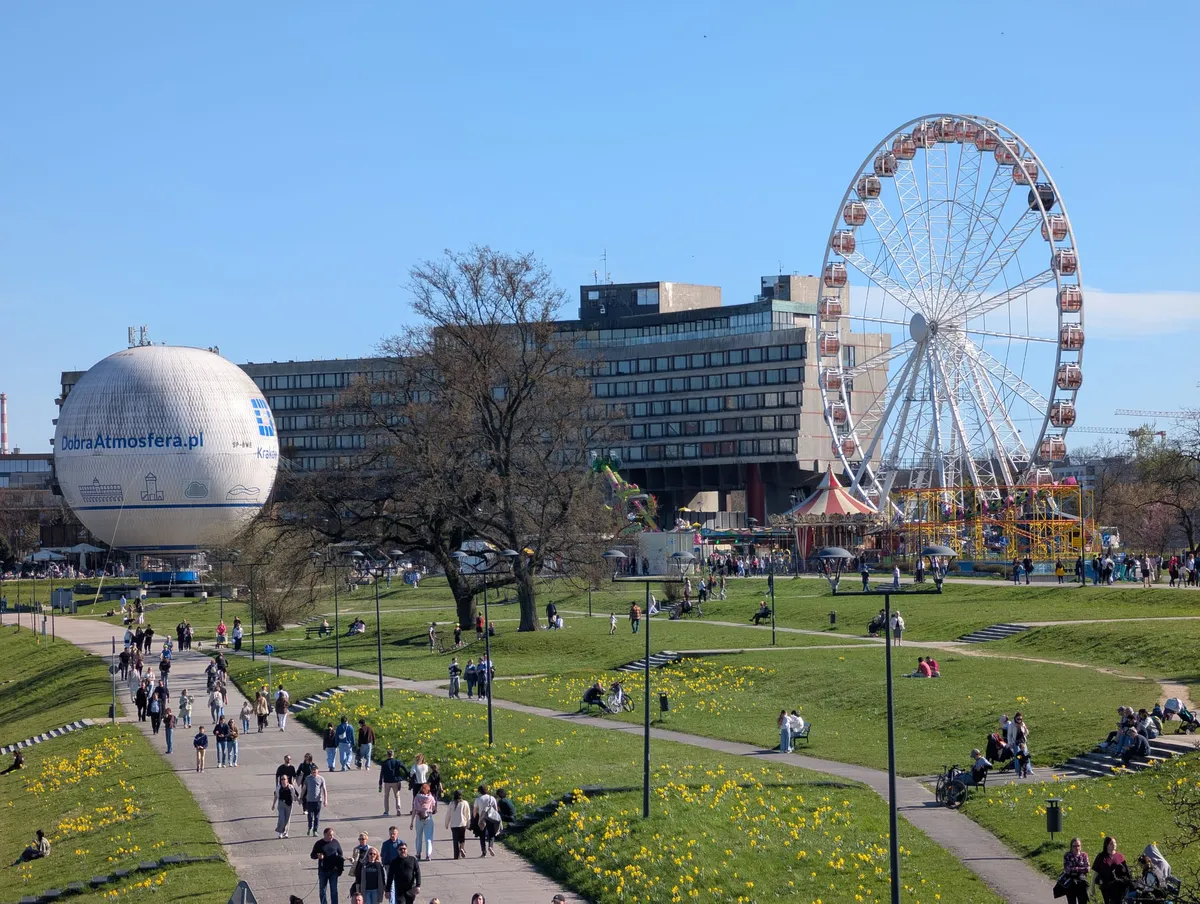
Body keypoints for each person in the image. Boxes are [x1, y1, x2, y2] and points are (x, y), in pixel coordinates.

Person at [310, 827, 344, 904]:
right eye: (329, 835)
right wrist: (318, 856)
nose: (331, 837)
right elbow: (312, 855)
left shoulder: (335, 842)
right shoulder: (319, 843)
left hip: (333, 871)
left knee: (334, 890)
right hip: (323, 871)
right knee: (322, 890)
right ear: (324, 834)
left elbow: (340, 853)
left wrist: (339, 866)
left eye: (332, 835)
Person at [1091, 836, 1129, 904]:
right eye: (1111, 843)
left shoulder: (1120, 856)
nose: (1114, 844)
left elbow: (1125, 872)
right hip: (1106, 886)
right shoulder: (1101, 856)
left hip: (1118, 887)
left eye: (1114, 842)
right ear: (1106, 845)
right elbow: (1096, 872)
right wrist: (1093, 886)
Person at [1056, 837, 1091, 904]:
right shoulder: (1067, 856)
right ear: (1071, 847)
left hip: (1081, 882)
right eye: (1074, 846)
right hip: (1070, 883)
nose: (1077, 848)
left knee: (1083, 901)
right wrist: (1081, 869)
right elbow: (1068, 870)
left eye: (1078, 846)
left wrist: (1075, 869)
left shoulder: (1084, 855)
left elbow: (1087, 868)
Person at [410, 782, 437, 861]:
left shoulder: (417, 797)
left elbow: (414, 809)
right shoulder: (431, 797)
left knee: (418, 836)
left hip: (419, 817)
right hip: (428, 817)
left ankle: (418, 853)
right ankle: (428, 855)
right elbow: (434, 807)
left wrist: (411, 821)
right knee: (428, 837)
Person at [472, 783, 501, 857]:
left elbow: (475, 810)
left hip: (482, 818)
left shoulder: (478, 799)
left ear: (480, 791)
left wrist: (475, 817)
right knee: (491, 834)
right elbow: (496, 809)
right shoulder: (492, 798)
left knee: (482, 835)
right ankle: (490, 846)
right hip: (491, 818)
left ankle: (483, 852)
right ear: (487, 790)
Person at [445, 789, 472, 860]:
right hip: (462, 824)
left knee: (455, 840)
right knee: (462, 838)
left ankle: (456, 856)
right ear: (461, 796)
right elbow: (468, 814)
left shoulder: (451, 803)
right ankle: (462, 848)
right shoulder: (465, 803)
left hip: (454, 825)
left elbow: (448, 814)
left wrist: (446, 824)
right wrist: (468, 823)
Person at [379, 748, 407, 816]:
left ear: (387, 755)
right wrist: (407, 774)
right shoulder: (397, 761)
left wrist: (380, 782)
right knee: (397, 796)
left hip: (387, 781)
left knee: (386, 796)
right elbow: (404, 767)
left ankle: (386, 811)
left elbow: (381, 773)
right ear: (393, 755)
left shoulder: (384, 763)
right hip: (396, 781)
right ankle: (398, 809)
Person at [379, 826, 403, 900]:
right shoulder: (386, 844)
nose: (392, 835)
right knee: (391, 885)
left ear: (397, 833)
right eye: (390, 834)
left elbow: (405, 855)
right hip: (389, 867)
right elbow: (382, 855)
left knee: (399, 884)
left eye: (394, 833)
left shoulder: (401, 843)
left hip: (399, 866)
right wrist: (384, 864)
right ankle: (392, 901)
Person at [273, 774, 297, 838]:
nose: (283, 780)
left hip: (289, 804)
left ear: (287, 780)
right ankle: (280, 832)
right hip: (281, 804)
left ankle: (286, 832)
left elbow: (293, 796)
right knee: (282, 819)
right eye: (282, 779)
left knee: (287, 819)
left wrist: (296, 799)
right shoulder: (279, 787)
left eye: (284, 779)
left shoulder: (291, 787)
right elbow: (276, 796)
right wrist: (273, 804)